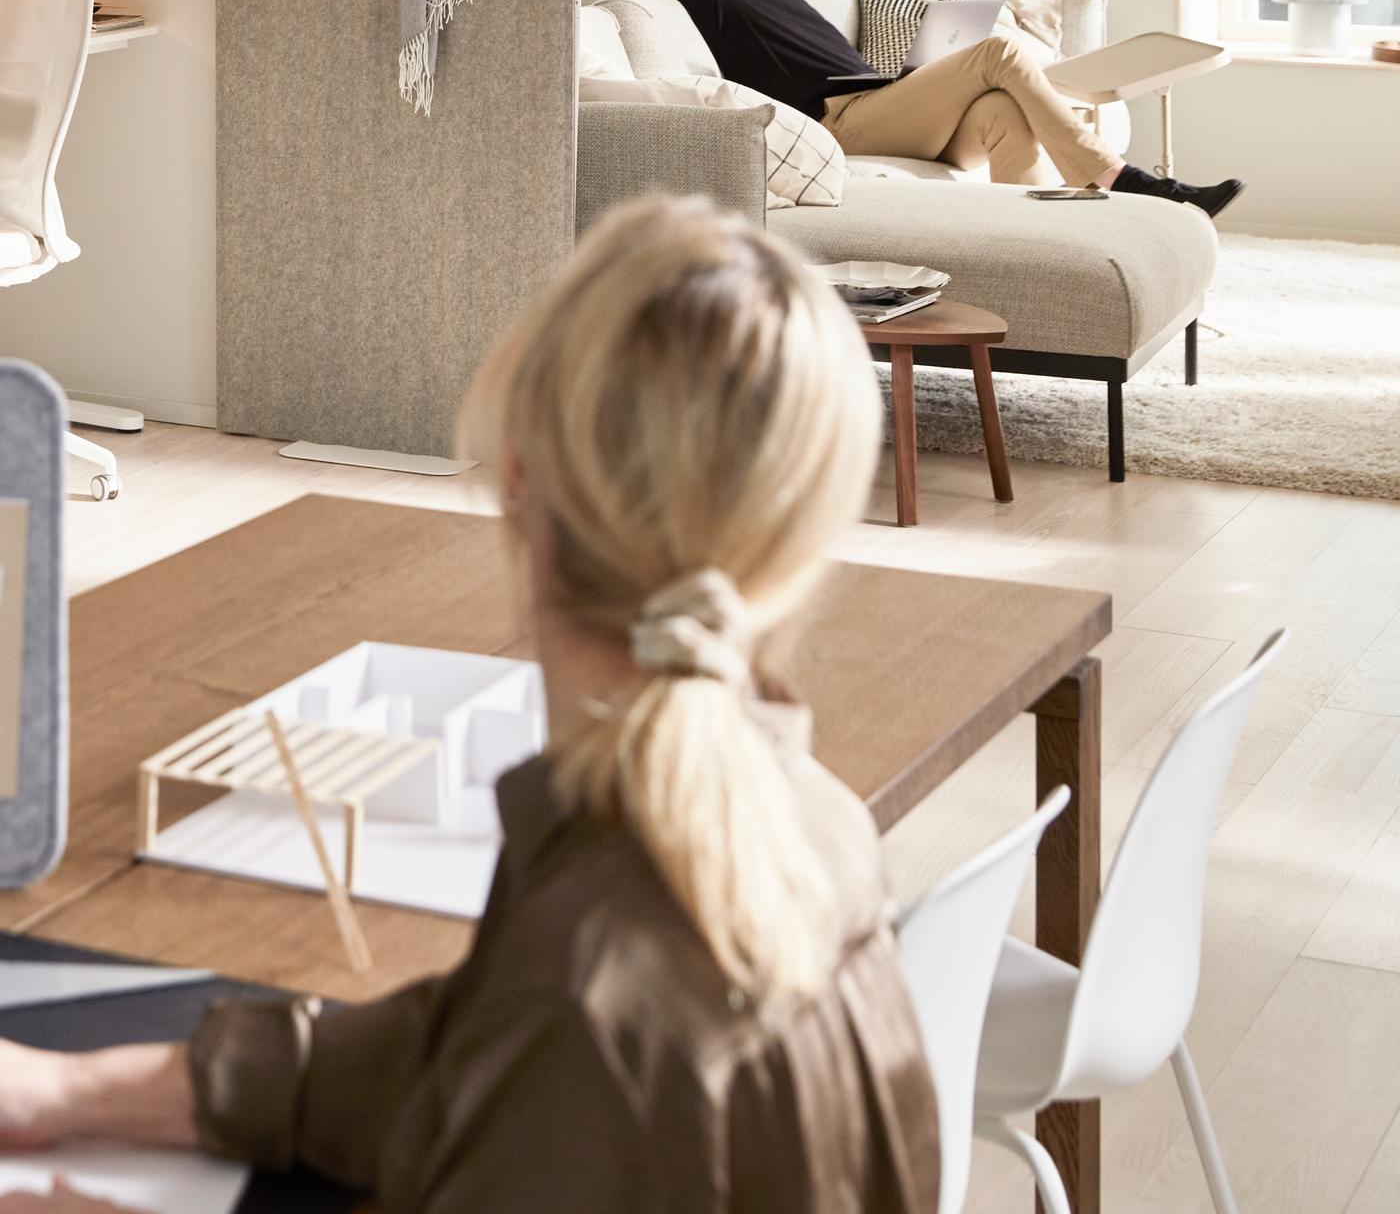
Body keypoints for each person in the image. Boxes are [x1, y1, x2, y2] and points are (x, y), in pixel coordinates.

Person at [0, 197, 941, 1213]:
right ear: (797, 528)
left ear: (523, 479)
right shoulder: (809, 823)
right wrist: (80, 1089)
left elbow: (540, 1057)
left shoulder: (585, 990)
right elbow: (461, 1052)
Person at [649, 0, 1245, 216]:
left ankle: (1044, 246)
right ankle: (1124, 179)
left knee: (998, 108)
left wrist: (912, 80)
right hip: (837, 122)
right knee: (999, 51)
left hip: (880, 101)